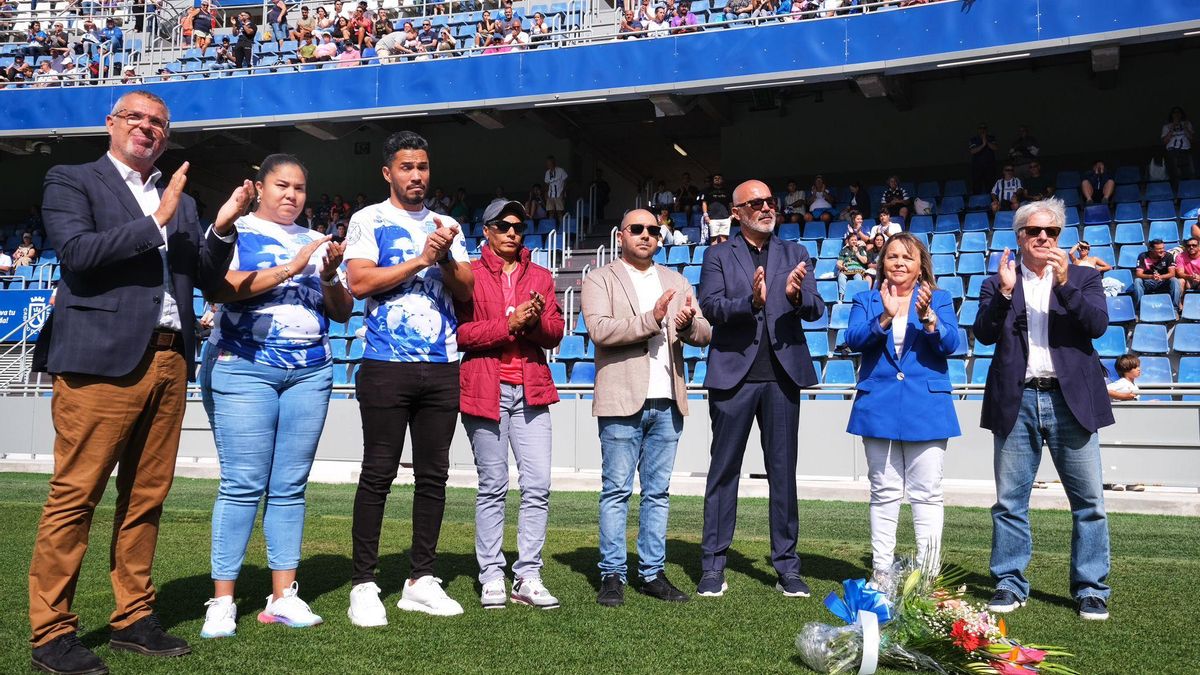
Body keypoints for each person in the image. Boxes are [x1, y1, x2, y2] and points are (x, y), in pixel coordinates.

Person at [28, 90, 245, 675]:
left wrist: (220, 230)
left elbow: (206, 277)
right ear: (111, 124)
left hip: (171, 359)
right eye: (136, 118)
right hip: (99, 361)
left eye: (158, 124)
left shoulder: (187, 202)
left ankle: (133, 617)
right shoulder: (72, 180)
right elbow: (76, 253)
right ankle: (51, 632)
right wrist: (157, 221)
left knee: (146, 497)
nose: (147, 129)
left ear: (167, 138)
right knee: (76, 495)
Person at [198, 154, 352, 638]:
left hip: (310, 371)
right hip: (244, 366)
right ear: (259, 188)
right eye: (282, 185)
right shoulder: (235, 229)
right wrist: (293, 266)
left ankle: (283, 595)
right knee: (242, 483)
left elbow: (343, 311)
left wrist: (327, 275)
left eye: (300, 188)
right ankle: (222, 600)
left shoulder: (317, 240)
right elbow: (221, 289)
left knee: (290, 487)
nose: (291, 195)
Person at [344, 131, 475, 623]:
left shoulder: (447, 224)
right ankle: (364, 582)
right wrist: (420, 259)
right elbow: (358, 283)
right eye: (406, 167)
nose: (416, 175)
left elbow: (466, 290)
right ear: (388, 173)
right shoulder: (368, 219)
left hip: (442, 365)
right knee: (377, 474)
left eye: (422, 166)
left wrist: (442, 258)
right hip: (384, 363)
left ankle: (421, 578)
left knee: (433, 476)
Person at [973, 198, 1113, 621]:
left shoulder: (1085, 277)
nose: (1043, 238)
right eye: (1035, 231)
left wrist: (1066, 282)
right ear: (1019, 237)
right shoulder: (998, 281)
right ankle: (1009, 582)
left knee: (1089, 501)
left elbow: (1097, 327)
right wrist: (1003, 293)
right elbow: (982, 334)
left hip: (1070, 401)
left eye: (1051, 232)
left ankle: (1090, 588)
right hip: (1018, 400)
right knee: (1010, 502)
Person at [696, 180, 824, 598]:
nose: (767, 207)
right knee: (723, 473)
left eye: (770, 201)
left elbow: (816, 307)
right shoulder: (717, 254)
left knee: (783, 477)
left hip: (782, 378)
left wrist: (795, 295)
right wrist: (750, 302)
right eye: (756, 203)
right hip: (733, 378)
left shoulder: (796, 253)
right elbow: (711, 307)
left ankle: (787, 566)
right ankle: (713, 565)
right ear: (737, 212)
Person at [582, 209, 711, 607]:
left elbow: (705, 333)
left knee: (658, 493)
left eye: (653, 230)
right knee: (616, 491)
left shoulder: (676, 280)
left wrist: (687, 324)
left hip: (668, 399)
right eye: (637, 229)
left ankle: (652, 573)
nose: (645, 235)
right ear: (621, 235)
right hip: (621, 398)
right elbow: (600, 330)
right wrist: (653, 318)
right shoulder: (599, 278)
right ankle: (612, 575)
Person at [458, 199, 564, 610]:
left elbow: (555, 332)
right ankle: (490, 576)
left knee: (537, 486)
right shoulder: (467, 273)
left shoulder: (539, 274)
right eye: (503, 225)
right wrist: (509, 325)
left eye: (518, 226)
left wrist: (533, 321)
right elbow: (461, 334)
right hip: (486, 388)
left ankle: (528, 575)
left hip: (532, 390)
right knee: (493, 487)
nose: (512, 232)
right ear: (486, 230)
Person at [845, 233, 959, 577]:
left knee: (926, 494)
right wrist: (884, 317)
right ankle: (881, 572)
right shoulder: (866, 299)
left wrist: (928, 319)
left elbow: (952, 343)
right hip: (878, 407)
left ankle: (927, 575)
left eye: (907, 257)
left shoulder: (939, 299)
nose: (898, 263)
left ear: (920, 265)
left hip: (926, 407)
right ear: (882, 263)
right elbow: (853, 340)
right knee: (884, 493)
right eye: (892, 256)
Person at [1133, 239, 1181, 310]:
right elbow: (1138, 274)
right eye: (1159, 249)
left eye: (1163, 248)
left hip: (1163, 282)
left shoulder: (1168, 256)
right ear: (1151, 249)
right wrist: (1151, 277)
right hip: (1148, 282)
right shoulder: (1143, 256)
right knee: (1137, 281)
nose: (1162, 250)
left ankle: (1174, 309)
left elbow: (1172, 274)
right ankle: (1139, 309)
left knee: (1174, 280)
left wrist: (1160, 277)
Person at [1162, 106, 1195, 183]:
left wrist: (1185, 127)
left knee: (1189, 171)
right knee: (1176, 172)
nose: (1176, 115)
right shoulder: (1166, 126)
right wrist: (1172, 127)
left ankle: (1189, 187)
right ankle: (1178, 188)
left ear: (1181, 114)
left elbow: (1191, 138)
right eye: (1174, 113)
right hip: (1172, 150)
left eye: (1178, 112)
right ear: (1172, 114)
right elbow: (1165, 141)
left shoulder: (1187, 123)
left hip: (1185, 150)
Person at [699, 173, 732, 245]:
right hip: (712, 218)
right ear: (713, 180)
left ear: (722, 180)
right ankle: (714, 256)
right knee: (714, 240)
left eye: (719, 178)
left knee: (725, 240)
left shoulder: (727, 191)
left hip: (725, 218)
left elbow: (730, 204)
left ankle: (724, 256)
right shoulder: (707, 191)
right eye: (715, 178)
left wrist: (732, 215)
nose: (717, 179)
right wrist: (705, 215)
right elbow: (704, 203)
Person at [836, 233, 868, 300]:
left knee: (858, 276)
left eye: (855, 240)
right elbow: (839, 262)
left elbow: (865, 261)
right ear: (848, 241)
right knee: (841, 276)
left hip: (857, 270)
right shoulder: (844, 250)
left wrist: (857, 253)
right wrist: (841, 267)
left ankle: (857, 296)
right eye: (852, 240)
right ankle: (842, 296)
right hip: (847, 269)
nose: (854, 241)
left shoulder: (861, 249)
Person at [969, 123, 999, 195]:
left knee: (990, 185)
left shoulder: (991, 138)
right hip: (977, 167)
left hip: (989, 166)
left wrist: (986, 141)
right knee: (977, 186)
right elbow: (972, 151)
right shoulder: (973, 139)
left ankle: (992, 203)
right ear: (978, 130)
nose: (982, 130)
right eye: (981, 128)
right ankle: (977, 202)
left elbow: (995, 148)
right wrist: (983, 145)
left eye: (984, 128)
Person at [543, 155, 567, 224]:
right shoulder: (547, 173)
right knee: (551, 212)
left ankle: (562, 227)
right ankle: (551, 228)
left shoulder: (560, 170)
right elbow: (547, 184)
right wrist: (545, 193)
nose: (548, 164)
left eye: (550, 163)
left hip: (559, 193)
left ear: (553, 162)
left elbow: (565, 181)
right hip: (550, 194)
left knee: (559, 212)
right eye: (547, 163)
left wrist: (563, 192)